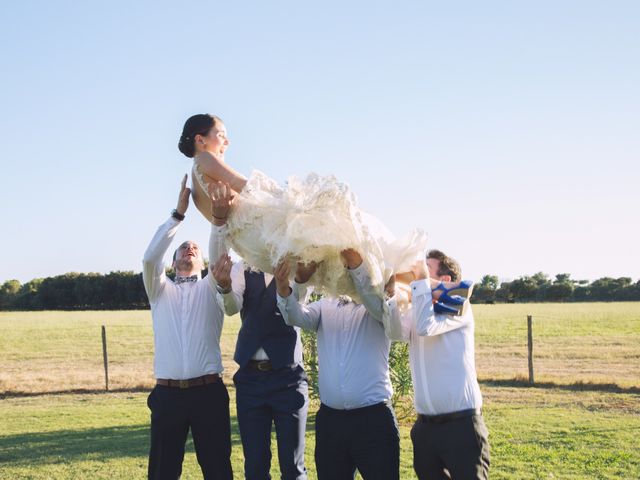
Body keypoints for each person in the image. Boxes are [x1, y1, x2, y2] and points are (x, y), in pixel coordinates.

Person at [178, 113, 429, 305]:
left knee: (333, 264)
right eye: (220, 134)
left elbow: (220, 225)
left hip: (259, 249)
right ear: (201, 140)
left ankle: (402, 287)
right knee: (337, 224)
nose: (227, 141)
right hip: (267, 228)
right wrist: (291, 197)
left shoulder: (198, 190)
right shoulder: (204, 159)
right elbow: (245, 186)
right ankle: (414, 279)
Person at [209, 186, 309, 480]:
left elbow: (298, 306)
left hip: (288, 378)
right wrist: (224, 287)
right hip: (251, 380)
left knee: (293, 467)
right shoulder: (244, 268)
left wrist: (285, 289)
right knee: (255, 465)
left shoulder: (298, 268)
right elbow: (231, 307)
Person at [273, 249, 400, 480]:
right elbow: (295, 317)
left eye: (348, 267)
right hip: (331, 422)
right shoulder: (325, 306)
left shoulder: (377, 304)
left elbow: (374, 301)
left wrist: (355, 260)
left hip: (374, 420)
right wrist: (286, 289)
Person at [142, 175, 233, 480]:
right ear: (173, 260)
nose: (189, 249)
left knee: (218, 470)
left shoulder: (210, 287)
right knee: (162, 472)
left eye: (195, 247)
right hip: (167, 396)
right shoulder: (159, 290)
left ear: (202, 260)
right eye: (183, 247)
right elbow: (149, 257)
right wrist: (178, 215)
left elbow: (219, 251)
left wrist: (218, 220)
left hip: (208, 393)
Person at [386, 250, 490, 480]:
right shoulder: (417, 309)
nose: (416, 278)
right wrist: (390, 295)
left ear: (445, 280)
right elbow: (394, 332)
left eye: (425, 269)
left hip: (461, 426)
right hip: (425, 429)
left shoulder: (460, 305)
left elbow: (426, 326)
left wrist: (420, 282)